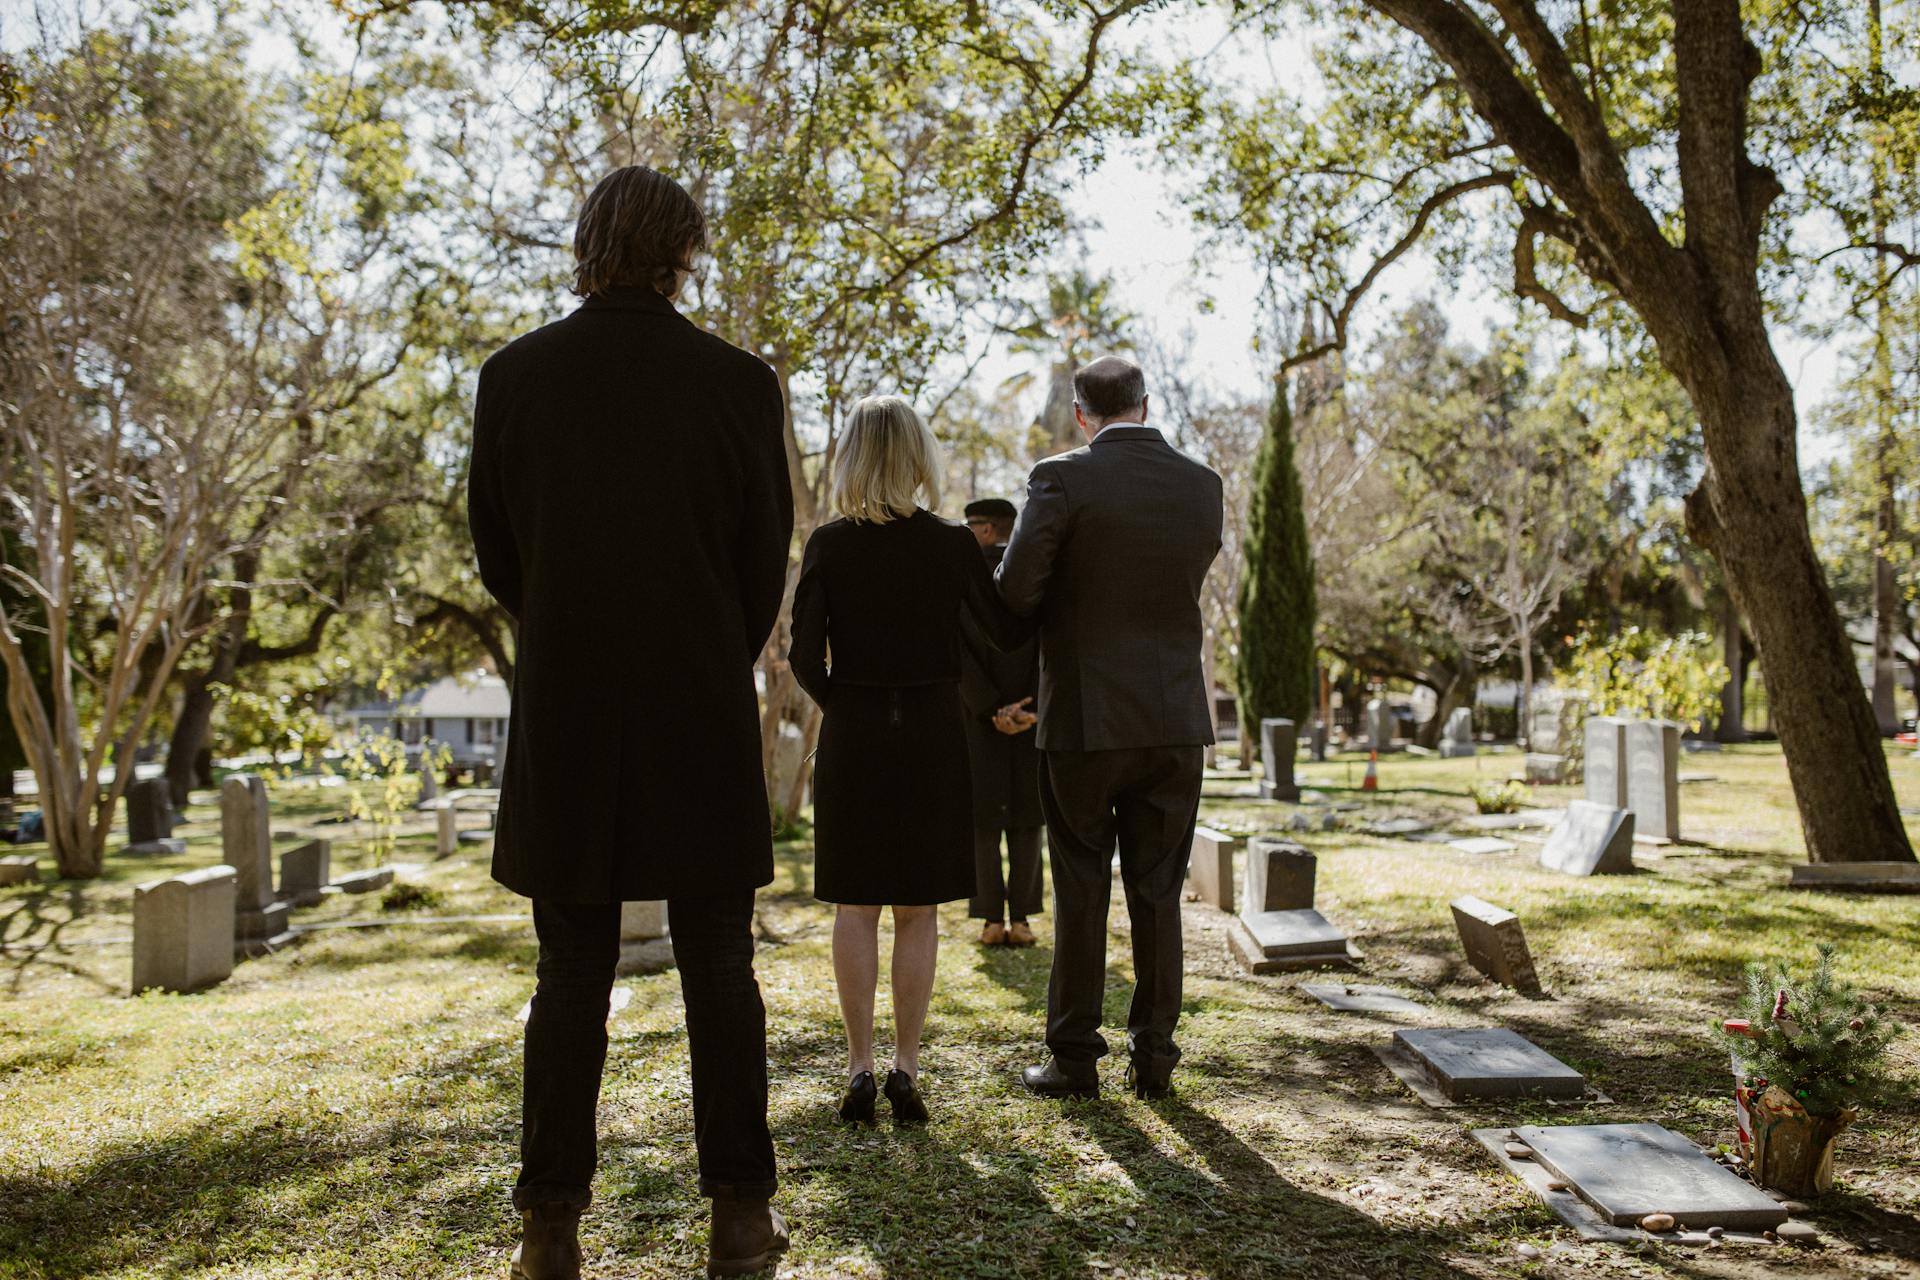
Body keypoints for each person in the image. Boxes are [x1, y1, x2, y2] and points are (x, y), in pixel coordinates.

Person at [468, 165, 793, 1280]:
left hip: (567, 708)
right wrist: (701, 650)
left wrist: (568, 632)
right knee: (719, 964)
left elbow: (499, 555)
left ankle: (548, 1230)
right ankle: (741, 1216)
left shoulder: (512, 377)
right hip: (697, 704)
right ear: (683, 249)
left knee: (569, 974)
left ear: (586, 243)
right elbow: (762, 569)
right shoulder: (742, 386)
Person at [788, 396, 1026, 1127]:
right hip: (931, 731)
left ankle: (858, 1067)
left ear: (853, 457)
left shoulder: (828, 544)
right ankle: (906, 1069)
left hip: (856, 729)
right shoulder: (955, 546)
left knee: (857, 907)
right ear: (919, 456)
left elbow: (802, 657)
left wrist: (845, 703)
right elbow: (1001, 631)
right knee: (917, 910)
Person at [996, 355, 1224, 1102]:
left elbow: (1017, 591)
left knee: (1083, 886)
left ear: (1079, 414)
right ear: (1146, 403)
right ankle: (1154, 1057)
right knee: (1159, 892)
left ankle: (1073, 1058)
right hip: (1175, 718)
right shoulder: (1202, 484)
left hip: (1088, 717)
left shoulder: (1061, 477)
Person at [959, 497, 1045, 947]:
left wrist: (991, 708)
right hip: (1031, 716)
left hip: (978, 718)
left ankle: (991, 920)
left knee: (983, 823)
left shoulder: (960, 580)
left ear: (989, 529)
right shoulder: (1037, 577)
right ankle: (1023, 920)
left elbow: (958, 653)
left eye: (969, 524)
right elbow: (1049, 643)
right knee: (1028, 822)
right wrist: (1028, 707)